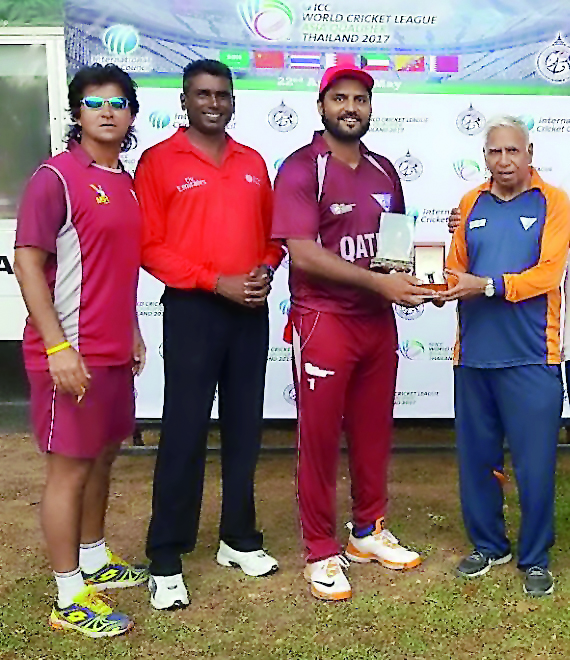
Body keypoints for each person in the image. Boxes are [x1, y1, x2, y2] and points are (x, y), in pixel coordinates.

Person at [272, 64, 433, 601]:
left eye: (360, 99)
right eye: (339, 98)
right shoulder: (301, 168)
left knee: (373, 432)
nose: (350, 107)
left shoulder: (386, 170)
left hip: (376, 323)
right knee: (318, 440)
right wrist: (376, 282)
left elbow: (393, 250)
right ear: (321, 107)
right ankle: (320, 550)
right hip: (324, 321)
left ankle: (369, 531)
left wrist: (415, 278)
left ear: (370, 107)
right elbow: (302, 253)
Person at [135, 59, 283, 610]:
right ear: (184, 100)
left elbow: (274, 236)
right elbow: (149, 245)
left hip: (249, 310)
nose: (213, 103)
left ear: (232, 100)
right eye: (202, 94)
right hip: (194, 309)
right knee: (185, 430)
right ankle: (167, 556)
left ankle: (238, 538)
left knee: (245, 427)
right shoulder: (158, 162)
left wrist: (266, 267)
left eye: (222, 94)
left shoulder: (251, 162)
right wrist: (211, 281)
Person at [14, 63, 148, 637]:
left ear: (132, 113)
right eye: (95, 102)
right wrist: (57, 346)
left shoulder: (126, 180)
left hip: (114, 348)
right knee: (68, 470)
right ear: (76, 112)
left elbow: (116, 269)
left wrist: (135, 330)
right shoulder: (56, 177)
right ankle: (69, 595)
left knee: (103, 456)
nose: (108, 111)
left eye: (119, 102)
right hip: (69, 352)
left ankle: (94, 558)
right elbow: (27, 261)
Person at [440, 116, 570, 596]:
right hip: (474, 355)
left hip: (533, 356)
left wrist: (488, 286)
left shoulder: (554, 202)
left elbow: (547, 275)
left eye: (512, 151)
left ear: (530, 152)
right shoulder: (470, 202)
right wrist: (441, 286)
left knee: (535, 465)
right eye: (495, 152)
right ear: (485, 155)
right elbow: (456, 268)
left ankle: (535, 558)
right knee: (477, 460)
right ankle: (489, 545)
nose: (504, 161)